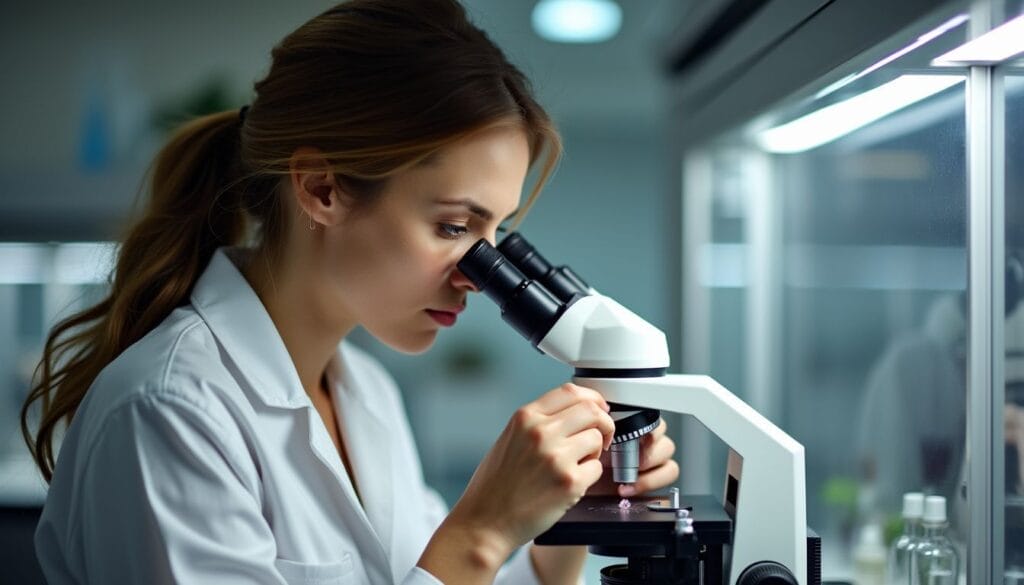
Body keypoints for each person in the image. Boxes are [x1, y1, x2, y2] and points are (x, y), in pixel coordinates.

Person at [19, 1, 679, 584]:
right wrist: (480, 530)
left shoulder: (365, 390)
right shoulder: (168, 411)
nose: (477, 273)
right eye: (454, 225)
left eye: (495, 233)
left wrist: (568, 510)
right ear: (321, 188)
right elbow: (459, 565)